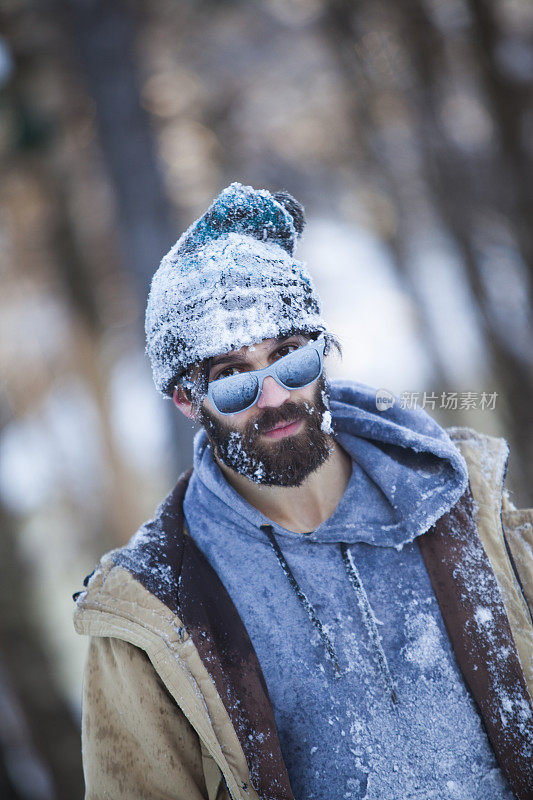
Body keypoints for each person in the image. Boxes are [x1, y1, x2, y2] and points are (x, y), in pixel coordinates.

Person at [73, 182, 533, 800]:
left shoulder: (461, 499)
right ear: (186, 400)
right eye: (234, 379)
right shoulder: (152, 615)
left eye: (289, 357)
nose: (275, 398)